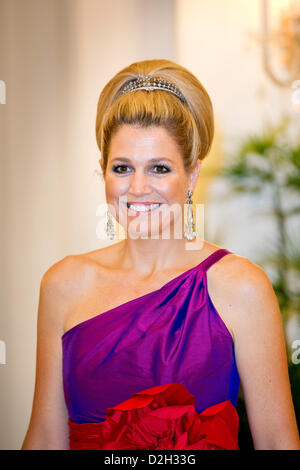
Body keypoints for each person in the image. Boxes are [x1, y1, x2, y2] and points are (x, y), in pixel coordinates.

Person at [22, 59, 300, 450]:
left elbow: (277, 443)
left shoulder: (240, 287)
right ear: (103, 171)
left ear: (192, 175)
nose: (137, 188)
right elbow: (46, 439)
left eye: (159, 168)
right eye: (122, 167)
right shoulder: (63, 285)